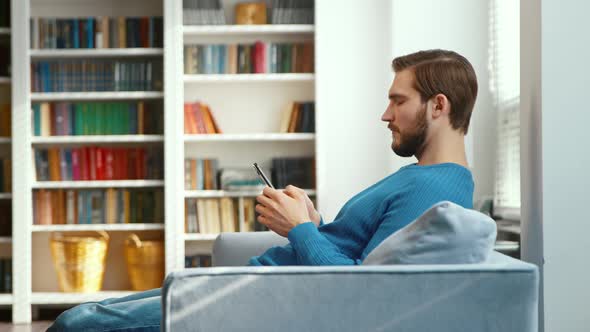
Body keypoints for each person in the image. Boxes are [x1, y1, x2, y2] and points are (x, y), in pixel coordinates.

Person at [48, 49, 478, 331]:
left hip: (255, 298)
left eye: (398, 101)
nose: (385, 114)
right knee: (88, 315)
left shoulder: (434, 189)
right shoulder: (430, 177)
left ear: (438, 106)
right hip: (252, 282)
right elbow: (360, 256)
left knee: (75, 324)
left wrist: (300, 231)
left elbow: (364, 294)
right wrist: (314, 224)